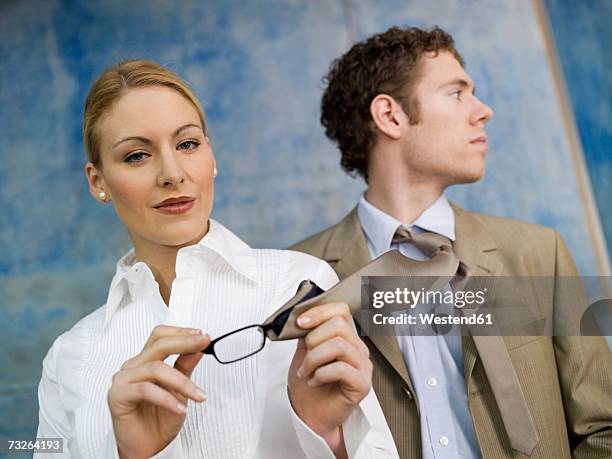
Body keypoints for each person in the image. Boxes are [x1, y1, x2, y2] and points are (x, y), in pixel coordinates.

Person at [35, 60, 398, 458]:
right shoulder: (69, 356)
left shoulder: (301, 287)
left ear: (211, 157)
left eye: (187, 144)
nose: (172, 173)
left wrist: (327, 434)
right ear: (98, 182)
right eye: (137, 155)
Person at [292, 26, 612, 458]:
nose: (483, 111)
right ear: (390, 116)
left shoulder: (539, 252)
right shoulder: (300, 275)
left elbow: (603, 429)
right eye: (456, 93)